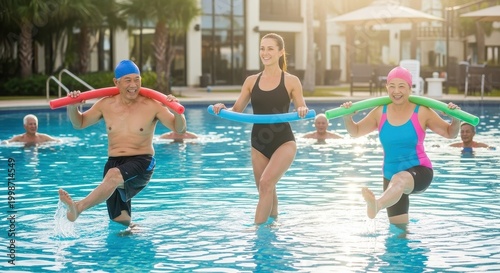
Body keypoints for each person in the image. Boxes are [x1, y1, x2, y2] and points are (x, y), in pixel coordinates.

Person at [58, 59, 186, 227]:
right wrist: (72, 107)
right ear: (116, 82)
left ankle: (78, 207)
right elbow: (79, 123)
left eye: (137, 79)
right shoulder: (106, 104)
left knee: (112, 175)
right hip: (114, 162)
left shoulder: (152, 105)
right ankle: (133, 229)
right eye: (128, 80)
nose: (133, 84)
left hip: (142, 162)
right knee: (121, 221)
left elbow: (180, 129)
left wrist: (176, 111)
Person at [340, 66, 461, 225]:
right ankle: (380, 205)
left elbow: (449, 133)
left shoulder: (422, 111)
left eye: (402, 86)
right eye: (392, 86)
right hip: (390, 177)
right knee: (399, 234)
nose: (396, 91)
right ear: (387, 88)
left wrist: (455, 119)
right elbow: (355, 131)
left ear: (410, 88)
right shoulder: (380, 112)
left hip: (420, 170)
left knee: (400, 179)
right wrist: (348, 118)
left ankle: (377, 204)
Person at [212, 33, 309, 225]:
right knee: (266, 188)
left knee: (266, 183)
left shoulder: (291, 81)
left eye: (270, 48)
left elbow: (301, 106)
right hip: (258, 143)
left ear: (281, 52)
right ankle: (273, 227)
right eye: (262, 48)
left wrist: (301, 109)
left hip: (283, 140)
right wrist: (223, 108)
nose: (265, 53)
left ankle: (257, 232)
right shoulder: (251, 81)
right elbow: (237, 109)